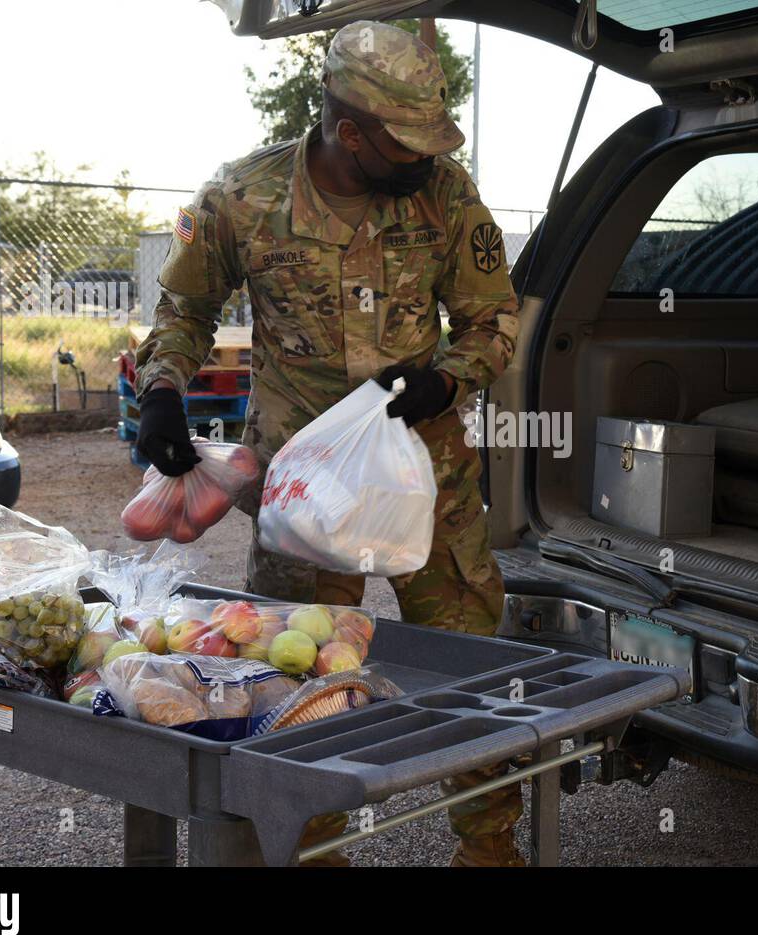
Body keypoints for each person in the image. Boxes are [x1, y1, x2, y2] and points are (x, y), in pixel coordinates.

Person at [133, 20, 523, 866]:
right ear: (349, 133)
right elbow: (184, 313)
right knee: (297, 677)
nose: (427, 157)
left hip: (426, 480)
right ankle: (308, 852)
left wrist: (447, 380)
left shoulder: (446, 196)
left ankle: (489, 847)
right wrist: (162, 392)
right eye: (407, 143)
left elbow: (494, 319)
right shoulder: (243, 197)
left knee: (475, 672)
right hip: (303, 495)